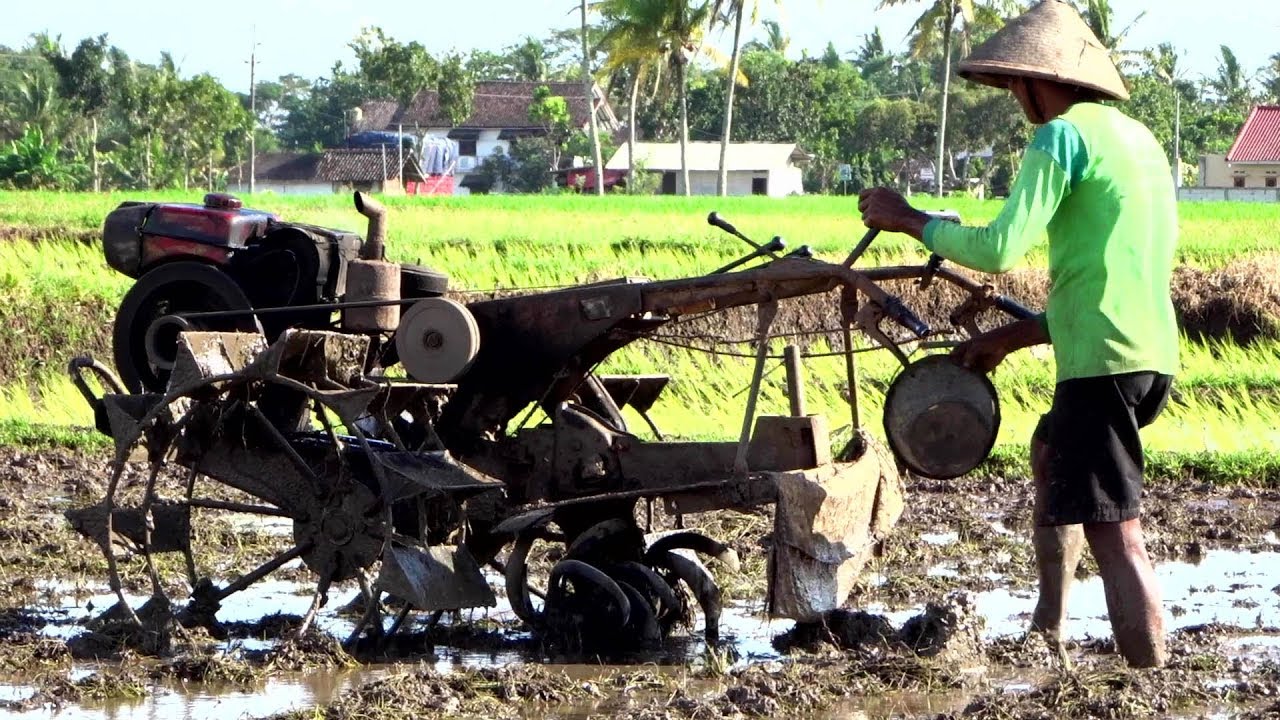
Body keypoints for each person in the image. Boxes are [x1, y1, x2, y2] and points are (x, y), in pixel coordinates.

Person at [858, 0, 1177, 668]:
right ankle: (1048, 627)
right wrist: (1008, 339)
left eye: (1012, 88)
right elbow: (1104, 278)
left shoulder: (1061, 137)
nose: (1014, 101)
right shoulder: (1137, 140)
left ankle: (1150, 684)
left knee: (1118, 534)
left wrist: (910, 219)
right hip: (1148, 354)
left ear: (1037, 80)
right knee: (1050, 454)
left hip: (1100, 363)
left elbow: (1002, 248)